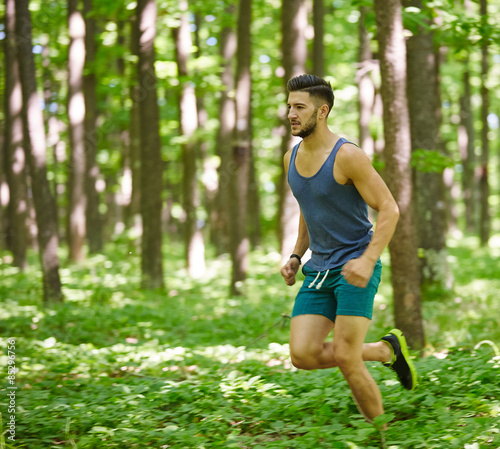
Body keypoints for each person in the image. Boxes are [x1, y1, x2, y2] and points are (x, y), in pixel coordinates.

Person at [280, 74, 417, 423]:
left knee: (344, 355)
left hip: (355, 268)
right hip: (318, 270)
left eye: (300, 107)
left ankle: (379, 434)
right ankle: (385, 350)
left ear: (322, 111)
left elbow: (390, 208)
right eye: (289, 106)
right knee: (302, 355)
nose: (291, 114)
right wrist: (297, 255)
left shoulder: (348, 156)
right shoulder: (290, 159)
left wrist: (368, 260)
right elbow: (308, 210)